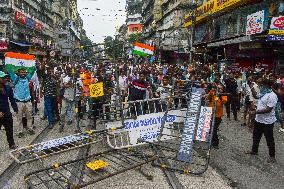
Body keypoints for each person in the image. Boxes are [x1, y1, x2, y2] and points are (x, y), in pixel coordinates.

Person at [246, 79, 278, 163]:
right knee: (256, 137)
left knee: (269, 139)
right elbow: (256, 96)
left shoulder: (272, 95)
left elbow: (268, 109)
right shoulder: (264, 93)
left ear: (266, 85)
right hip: (259, 120)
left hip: (268, 122)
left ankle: (272, 156)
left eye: (262, 85)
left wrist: (255, 111)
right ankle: (254, 151)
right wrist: (252, 89)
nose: (260, 86)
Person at [8, 68, 35, 137]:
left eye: (24, 72)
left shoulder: (27, 78)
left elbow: (32, 70)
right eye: (21, 72)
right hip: (19, 102)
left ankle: (30, 129)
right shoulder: (15, 78)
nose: (23, 73)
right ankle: (20, 131)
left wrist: (34, 63)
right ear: (18, 72)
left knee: (29, 117)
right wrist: (8, 60)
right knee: (19, 118)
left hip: (28, 101)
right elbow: (10, 70)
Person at [0, 71, 18, 149]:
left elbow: (12, 99)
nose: (5, 79)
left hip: (6, 112)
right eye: (3, 78)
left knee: (9, 129)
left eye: (5, 77)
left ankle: (12, 144)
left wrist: (16, 109)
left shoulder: (8, 87)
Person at [208, 84, 227, 149]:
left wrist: (220, 96)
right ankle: (211, 140)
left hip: (218, 116)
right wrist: (212, 90)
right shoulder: (213, 93)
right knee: (210, 128)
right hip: (211, 113)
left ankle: (216, 143)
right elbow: (208, 97)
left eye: (221, 88)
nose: (219, 89)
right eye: (218, 88)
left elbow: (224, 101)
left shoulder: (223, 95)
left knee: (214, 129)